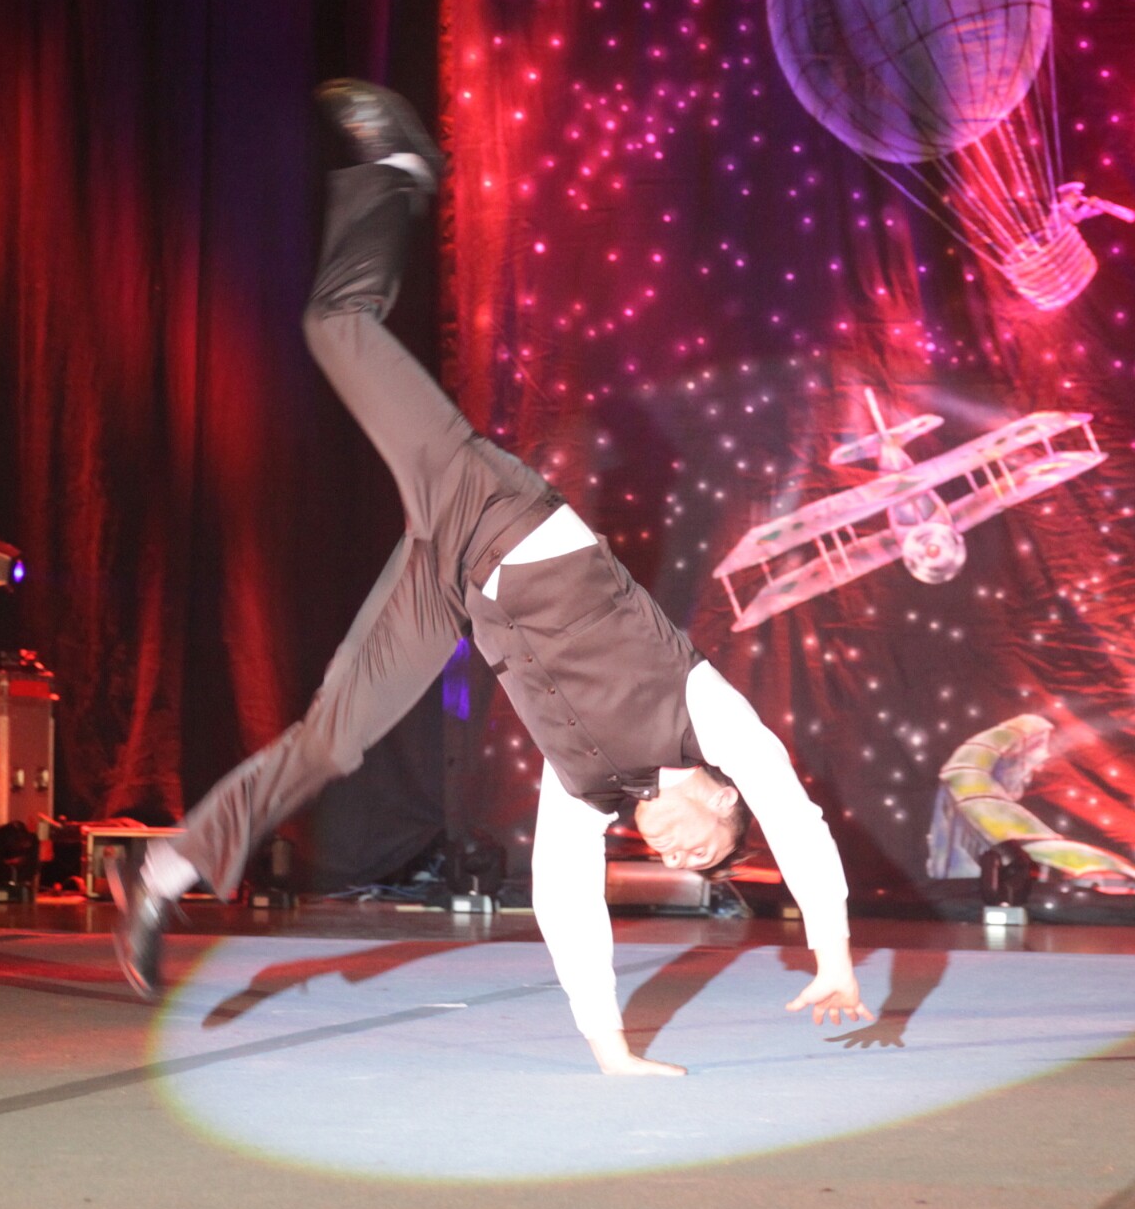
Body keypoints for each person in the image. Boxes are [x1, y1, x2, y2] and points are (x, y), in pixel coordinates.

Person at [113, 80, 872, 1074]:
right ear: (721, 794)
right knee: (336, 326)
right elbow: (795, 817)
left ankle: (162, 871)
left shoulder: (588, 788)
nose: (680, 855)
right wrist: (834, 956)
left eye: (685, 866)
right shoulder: (704, 713)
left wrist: (611, 1052)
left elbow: (566, 897)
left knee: (331, 738)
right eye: (705, 846)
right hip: (497, 509)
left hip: (455, 584)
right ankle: (395, 176)